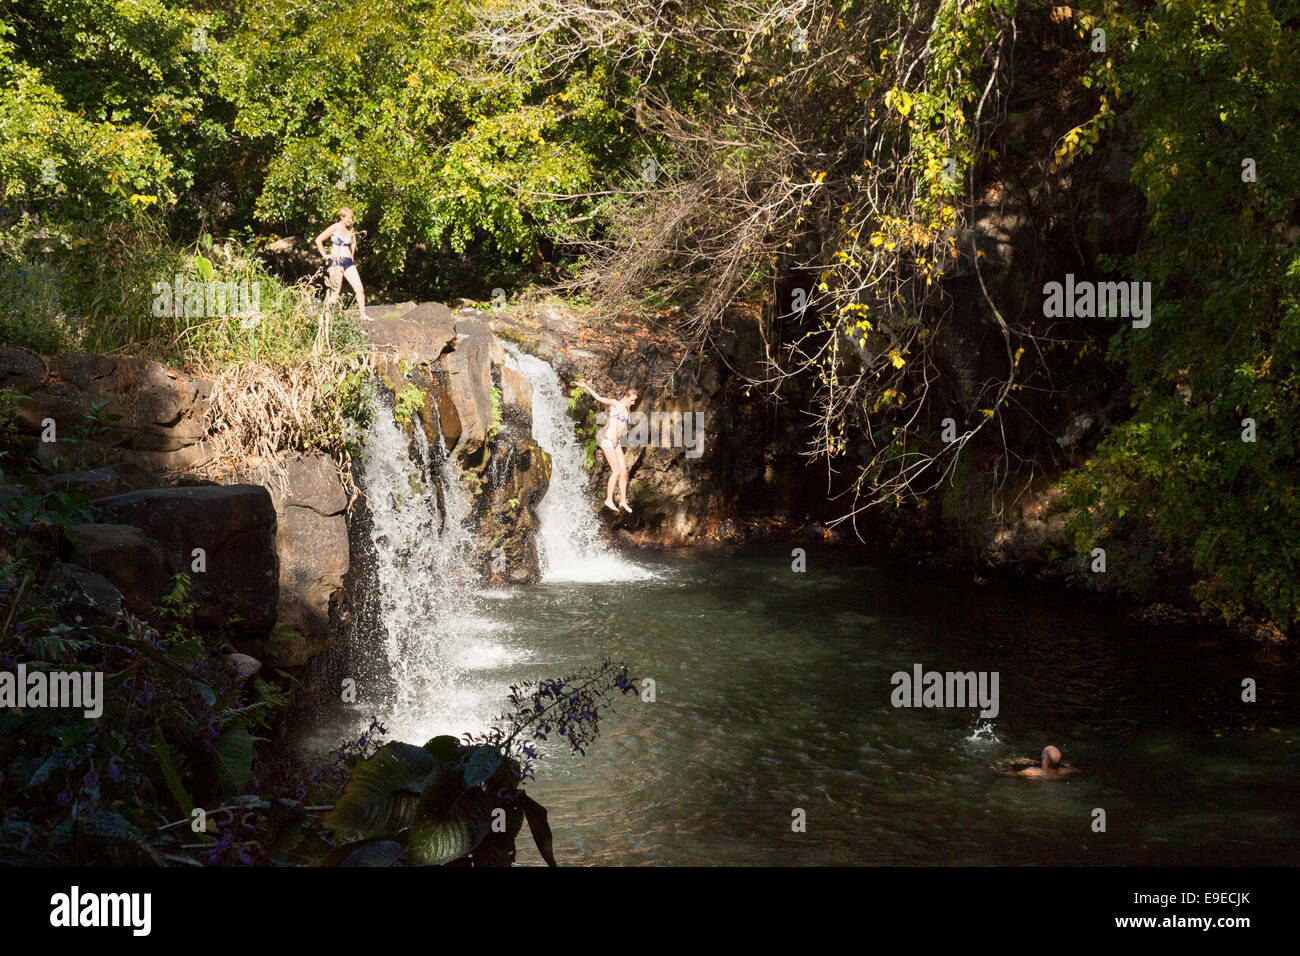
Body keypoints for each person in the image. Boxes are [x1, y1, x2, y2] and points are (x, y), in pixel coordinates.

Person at [578, 380, 638, 513]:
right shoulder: (615, 404)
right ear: (626, 397)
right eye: (632, 400)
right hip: (608, 442)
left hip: (616, 443)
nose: (633, 403)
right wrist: (586, 386)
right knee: (615, 471)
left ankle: (623, 500)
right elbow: (599, 398)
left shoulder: (628, 409)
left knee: (624, 472)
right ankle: (608, 500)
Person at [314, 207, 370, 321]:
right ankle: (324, 315)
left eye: (351, 218)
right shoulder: (335, 227)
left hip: (348, 262)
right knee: (336, 292)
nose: (350, 220)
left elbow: (353, 242)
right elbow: (318, 240)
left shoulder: (351, 229)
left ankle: (363, 315)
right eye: (348, 218)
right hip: (336, 262)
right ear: (341, 217)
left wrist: (352, 254)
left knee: (359, 288)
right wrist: (325, 255)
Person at [991, 745, 1079, 779]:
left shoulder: (1031, 772)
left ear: (1044, 761)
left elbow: (1008, 773)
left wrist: (992, 767)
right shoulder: (1068, 770)